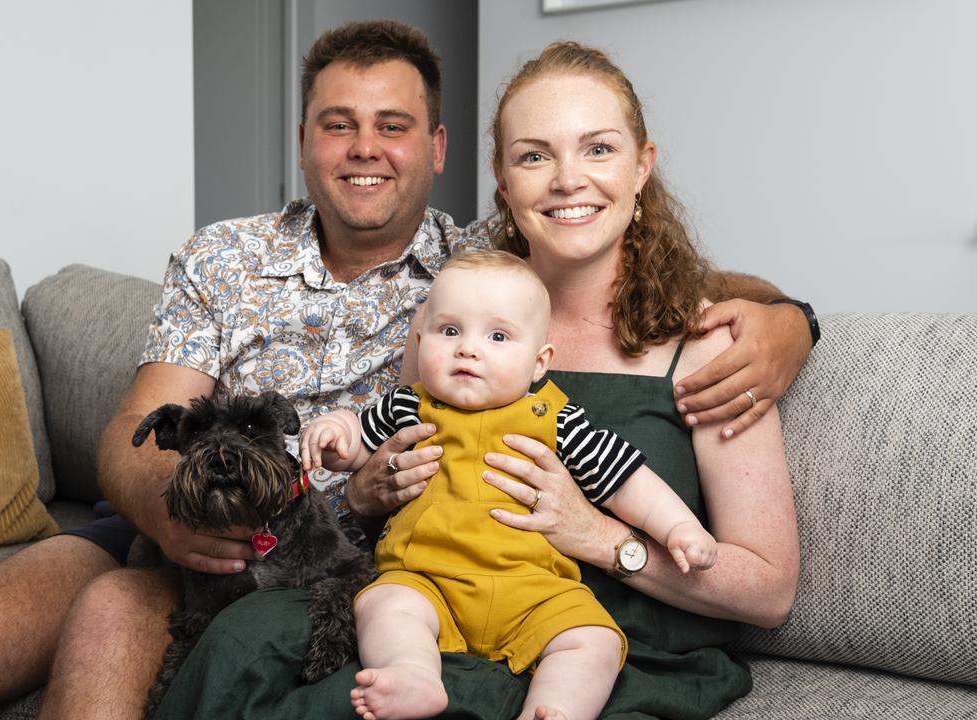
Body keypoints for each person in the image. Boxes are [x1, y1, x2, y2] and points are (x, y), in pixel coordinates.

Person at [0, 24, 806, 720]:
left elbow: (648, 270)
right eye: (338, 124)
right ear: (303, 142)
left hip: (341, 559)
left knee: (116, 626)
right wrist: (181, 524)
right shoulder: (222, 257)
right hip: (195, 530)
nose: (364, 150)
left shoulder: (471, 265)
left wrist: (786, 323)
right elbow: (136, 434)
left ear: (435, 153)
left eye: (393, 126)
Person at [154, 39, 800, 720]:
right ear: (502, 177)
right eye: (533, 155)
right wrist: (369, 492)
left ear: (643, 167)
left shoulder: (713, 345)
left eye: (599, 149)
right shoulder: (450, 317)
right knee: (237, 651)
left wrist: (597, 537)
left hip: (603, 648)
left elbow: (768, 592)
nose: (567, 179)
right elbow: (389, 455)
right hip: (433, 624)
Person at [301, 250, 719, 720]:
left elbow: (624, 481)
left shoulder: (555, 420)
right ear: (420, 341)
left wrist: (679, 528)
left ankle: (556, 709)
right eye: (450, 331)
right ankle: (413, 674)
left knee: (593, 640)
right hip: (427, 579)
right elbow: (359, 450)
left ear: (539, 362)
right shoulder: (407, 407)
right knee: (383, 603)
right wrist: (337, 432)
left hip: (533, 589)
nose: (468, 349)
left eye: (497, 336)